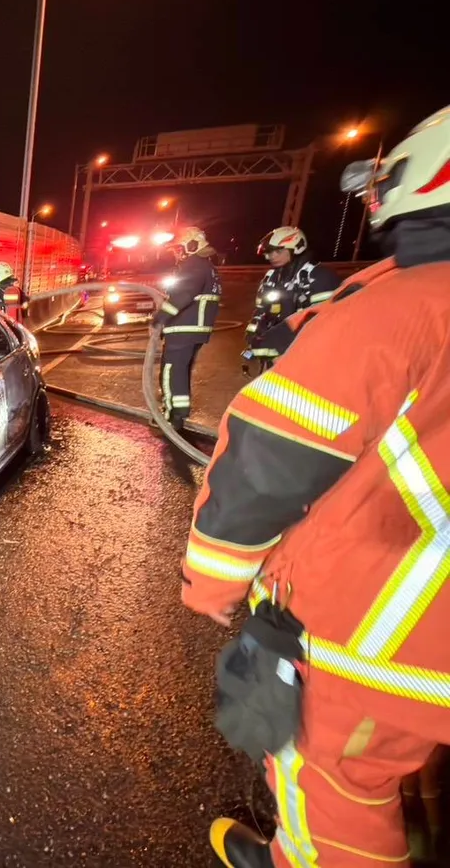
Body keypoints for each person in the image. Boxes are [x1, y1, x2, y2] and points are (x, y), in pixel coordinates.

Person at [183, 104, 450, 868]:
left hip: (387, 639)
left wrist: (212, 581)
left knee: (334, 786)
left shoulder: (401, 308)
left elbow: (269, 460)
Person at [151, 226, 222, 432]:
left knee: (172, 371)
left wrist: (159, 319)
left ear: (192, 246)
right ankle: (179, 414)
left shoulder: (193, 266)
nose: (176, 253)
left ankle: (172, 415)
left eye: (179, 249)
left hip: (183, 327)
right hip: (195, 329)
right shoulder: (207, 267)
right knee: (181, 371)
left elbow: (181, 297)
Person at [243, 226, 341, 373]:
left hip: (306, 355)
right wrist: (253, 335)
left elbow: (325, 322)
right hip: (274, 351)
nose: (271, 257)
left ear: (297, 248)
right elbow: (261, 310)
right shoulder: (272, 277)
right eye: (269, 252)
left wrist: (279, 341)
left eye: (278, 251)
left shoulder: (319, 277)